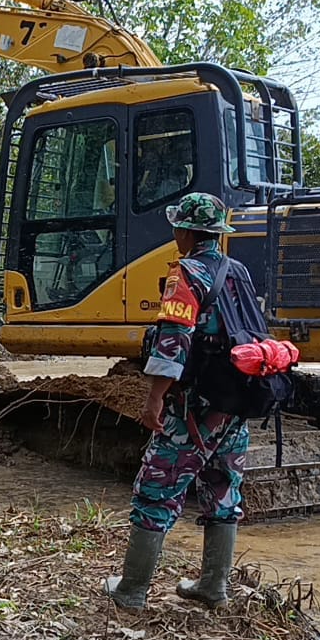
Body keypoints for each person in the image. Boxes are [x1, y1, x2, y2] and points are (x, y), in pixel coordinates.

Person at [102, 191, 249, 611]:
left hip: (192, 407)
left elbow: (174, 340)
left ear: (184, 230)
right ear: (218, 232)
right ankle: (213, 586)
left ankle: (130, 591)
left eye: (176, 228)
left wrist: (154, 399)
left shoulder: (184, 274)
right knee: (223, 489)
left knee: (156, 491)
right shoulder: (239, 271)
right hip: (233, 405)